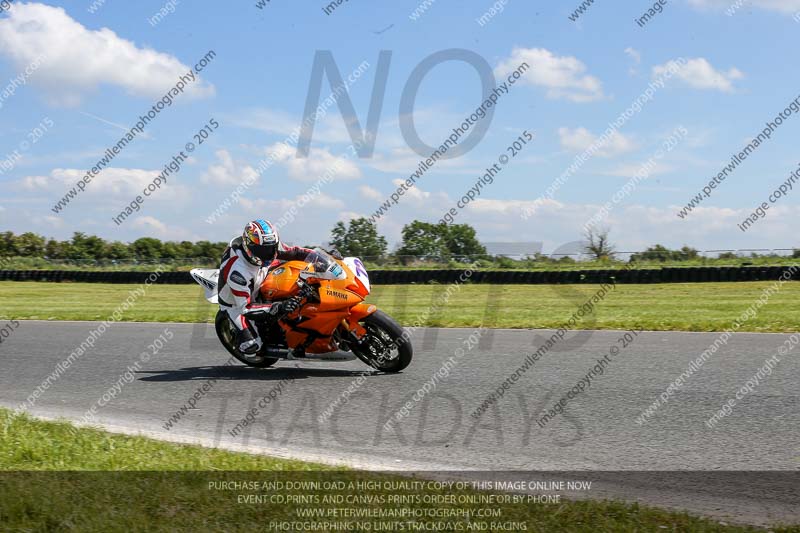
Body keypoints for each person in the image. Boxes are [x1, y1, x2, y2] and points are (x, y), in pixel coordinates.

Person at [217, 219, 314, 355]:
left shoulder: (269, 245)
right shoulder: (237, 271)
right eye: (261, 250)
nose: (268, 253)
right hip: (236, 303)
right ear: (248, 246)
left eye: (271, 248)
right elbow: (246, 307)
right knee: (251, 346)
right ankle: (242, 339)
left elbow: (295, 252)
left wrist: (320, 256)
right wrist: (279, 307)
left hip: (261, 275)